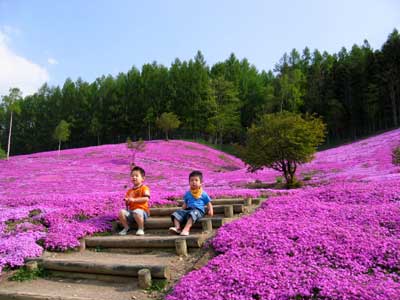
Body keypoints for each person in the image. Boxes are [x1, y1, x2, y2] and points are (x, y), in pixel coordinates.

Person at [169, 170, 213, 236]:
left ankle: (186, 229)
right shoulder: (188, 193)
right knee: (176, 214)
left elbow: (208, 203)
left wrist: (210, 210)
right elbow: (185, 203)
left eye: (196, 180)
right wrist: (181, 211)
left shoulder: (203, 193)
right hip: (188, 210)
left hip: (198, 211)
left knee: (193, 213)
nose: (193, 182)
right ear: (189, 182)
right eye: (191, 180)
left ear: (201, 183)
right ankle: (177, 228)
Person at [118, 166, 150, 236]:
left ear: (143, 178)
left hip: (142, 212)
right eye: (132, 176)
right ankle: (126, 228)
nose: (134, 177)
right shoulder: (129, 191)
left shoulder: (145, 188)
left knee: (137, 211)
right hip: (132, 212)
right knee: (121, 212)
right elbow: (128, 204)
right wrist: (127, 201)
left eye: (136, 176)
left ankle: (141, 228)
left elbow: (146, 199)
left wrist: (134, 200)